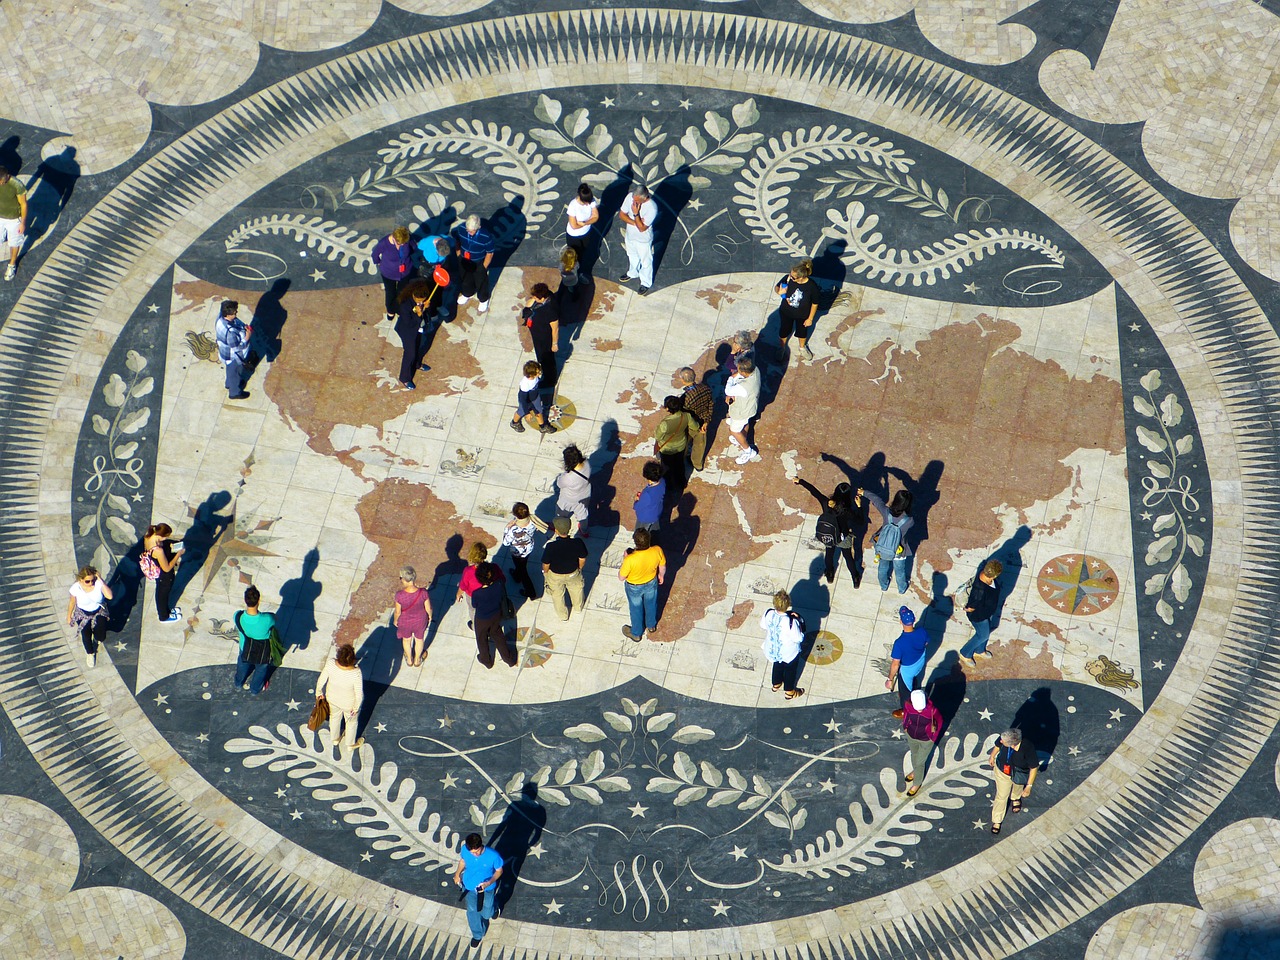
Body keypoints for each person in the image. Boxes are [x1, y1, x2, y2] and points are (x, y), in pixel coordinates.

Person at [792, 473, 862, 586]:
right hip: (843, 537)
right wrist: (859, 506)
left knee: (829, 554)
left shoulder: (826, 503)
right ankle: (855, 578)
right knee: (848, 557)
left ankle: (829, 574)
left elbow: (814, 491)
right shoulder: (847, 510)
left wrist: (800, 481)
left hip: (829, 535)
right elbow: (860, 521)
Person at [454, 833, 504, 947]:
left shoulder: (493, 856)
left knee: (486, 914)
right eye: (472, 853)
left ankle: (494, 908)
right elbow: (462, 861)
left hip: (487, 889)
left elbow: (499, 871)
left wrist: (489, 882)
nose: (475, 854)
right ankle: (477, 935)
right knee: (472, 911)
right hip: (469, 886)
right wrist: (457, 874)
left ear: (481, 845)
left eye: (477, 851)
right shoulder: (465, 850)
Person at [863, 487, 915, 594]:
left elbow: (877, 501)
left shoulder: (886, 512)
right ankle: (901, 588)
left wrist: (864, 492)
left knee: (883, 567)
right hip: (899, 551)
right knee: (900, 572)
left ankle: (884, 585)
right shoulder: (909, 521)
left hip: (883, 547)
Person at [316, 644, 365, 756]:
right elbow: (359, 694)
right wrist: (356, 708)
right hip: (349, 704)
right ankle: (350, 744)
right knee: (352, 723)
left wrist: (319, 693)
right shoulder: (356, 673)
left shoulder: (331, 664)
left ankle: (335, 739)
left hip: (332, 699)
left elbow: (321, 680)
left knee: (334, 717)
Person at [988, 727, 1039, 835]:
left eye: (1003, 741)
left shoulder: (1027, 747)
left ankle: (1015, 798)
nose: (1001, 741)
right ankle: (997, 820)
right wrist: (992, 756)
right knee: (1001, 796)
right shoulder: (1005, 736)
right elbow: (998, 745)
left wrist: (1028, 786)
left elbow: (1034, 767)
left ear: (1012, 744)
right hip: (1002, 772)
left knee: (1018, 787)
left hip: (1018, 773)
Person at [618, 528, 665, 642]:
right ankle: (651, 625)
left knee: (636, 609)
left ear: (635, 542)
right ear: (649, 540)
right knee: (651, 604)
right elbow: (662, 566)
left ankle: (636, 633)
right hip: (651, 582)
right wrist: (661, 576)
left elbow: (621, 577)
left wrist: (625, 558)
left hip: (634, 587)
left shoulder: (630, 559)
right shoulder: (657, 550)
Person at [760, 589, 806, 700]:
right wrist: (799, 622)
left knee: (777, 665)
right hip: (788, 652)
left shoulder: (768, 613)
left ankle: (776, 684)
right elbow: (798, 638)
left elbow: (763, 625)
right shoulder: (790, 621)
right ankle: (789, 691)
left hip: (772, 648)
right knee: (790, 671)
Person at [541, 516, 588, 620]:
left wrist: (545, 572)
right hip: (573, 573)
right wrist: (579, 568)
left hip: (555, 575)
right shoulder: (578, 542)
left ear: (556, 531)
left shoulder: (551, 546)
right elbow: (582, 559)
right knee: (577, 590)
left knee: (557, 595)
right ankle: (578, 608)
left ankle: (563, 616)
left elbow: (546, 564)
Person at [233, 585, 277, 695]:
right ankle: (255, 689)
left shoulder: (238, 616)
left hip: (245, 647)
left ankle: (238, 683)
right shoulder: (267, 618)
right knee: (261, 669)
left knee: (242, 665)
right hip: (262, 650)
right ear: (259, 600)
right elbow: (274, 622)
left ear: (245, 600)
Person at [471, 563, 516, 669]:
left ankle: (486, 661)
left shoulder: (477, 593)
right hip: (496, 615)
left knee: (481, 639)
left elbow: (474, 605)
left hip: (482, 619)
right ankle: (508, 659)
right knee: (497, 635)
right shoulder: (499, 584)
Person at [885, 606, 926, 719]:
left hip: (907, 670)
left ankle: (906, 710)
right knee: (916, 682)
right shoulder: (922, 631)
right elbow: (926, 643)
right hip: (919, 664)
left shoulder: (899, 643)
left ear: (900, 621)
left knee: (905, 692)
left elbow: (895, 664)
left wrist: (890, 679)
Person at [774, 258, 819, 361]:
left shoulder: (811, 287)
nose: (790, 278)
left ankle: (802, 348)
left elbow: (815, 303)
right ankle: (781, 348)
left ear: (801, 277)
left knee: (802, 332)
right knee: (784, 330)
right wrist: (779, 292)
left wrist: (810, 319)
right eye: (790, 275)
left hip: (803, 315)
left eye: (793, 277)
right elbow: (777, 287)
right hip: (786, 312)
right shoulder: (788, 278)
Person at [67, 565, 112, 668]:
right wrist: (69, 616)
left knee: (100, 636)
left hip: (98, 612)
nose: (91, 583)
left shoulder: (98, 583)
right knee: (86, 634)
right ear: (81, 579)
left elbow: (109, 596)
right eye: (87, 581)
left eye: (93, 580)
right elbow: (72, 602)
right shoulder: (76, 588)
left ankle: (96, 637)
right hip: (83, 613)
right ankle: (90, 653)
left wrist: (100, 580)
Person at [960, 560, 1003, 666]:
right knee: (982, 635)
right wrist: (969, 608)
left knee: (986, 632)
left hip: (988, 611)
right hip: (979, 615)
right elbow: (972, 606)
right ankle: (965, 653)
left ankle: (980, 650)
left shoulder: (986, 575)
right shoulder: (979, 590)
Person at [901, 688, 943, 796]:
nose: (919, 710)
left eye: (921, 708)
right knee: (914, 754)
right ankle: (916, 772)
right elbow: (906, 716)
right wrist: (905, 727)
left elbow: (939, 723)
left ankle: (917, 782)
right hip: (911, 735)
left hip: (926, 739)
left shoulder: (932, 710)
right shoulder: (908, 705)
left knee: (920, 761)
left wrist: (933, 738)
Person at [394, 279, 433, 390]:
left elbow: (427, 314)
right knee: (410, 353)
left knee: (418, 347)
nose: (420, 302)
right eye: (418, 300)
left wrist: (427, 307)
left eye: (422, 300)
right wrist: (418, 314)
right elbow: (409, 323)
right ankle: (404, 378)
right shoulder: (405, 305)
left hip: (418, 329)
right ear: (413, 295)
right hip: (407, 331)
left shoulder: (423, 300)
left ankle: (417, 364)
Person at [617, 185, 657, 294]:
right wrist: (636, 222)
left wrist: (635, 213)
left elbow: (642, 228)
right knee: (631, 255)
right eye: (633, 199)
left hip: (643, 240)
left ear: (644, 198)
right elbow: (622, 214)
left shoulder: (652, 208)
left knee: (646, 261)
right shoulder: (630, 197)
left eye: (636, 200)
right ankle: (632, 272)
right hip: (630, 236)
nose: (633, 202)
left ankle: (645, 282)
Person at [654, 395, 696, 497]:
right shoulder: (686, 416)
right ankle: (681, 483)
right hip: (681, 446)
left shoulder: (665, 423)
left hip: (667, 449)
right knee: (679, 465)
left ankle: (669, 486)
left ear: (668, 409)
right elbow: (695, 426)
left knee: (667, 467)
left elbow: (658, 436)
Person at [522, 283, 560, 392]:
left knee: (546, 358)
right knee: (540, 355)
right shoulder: (541, 300)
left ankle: (550, 380)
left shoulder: (551, 310)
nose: (532, 298)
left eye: (535, 297)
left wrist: (554, 344)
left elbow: (555, 328)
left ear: (542, 298)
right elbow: (529, 304)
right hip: (537, 333)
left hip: (544, 337)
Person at [724, 355, 761, 465]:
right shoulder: (755, 370)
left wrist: (731, 377)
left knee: (734, 430)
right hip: (750, 408)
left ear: (743, 371)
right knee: (745, 423)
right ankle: (741, 438)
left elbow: (728, 390)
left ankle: (748, 451)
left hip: (741, 412)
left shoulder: (743, 387)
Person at [454, 214, 495, 313]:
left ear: (478, 228)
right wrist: (458, 254)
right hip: (464, 259)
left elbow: (490, 253)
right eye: (468, 231)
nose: (470, 233)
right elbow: (458, 241)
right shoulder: (461, 228)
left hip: (478, 261)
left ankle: (483, 299)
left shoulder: (486, 236)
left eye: (473, 231)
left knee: (481, 281)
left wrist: (483, 267)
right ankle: (467, 293)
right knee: (465, 279)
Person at [142, 523, 183, 623]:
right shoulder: (158, 551)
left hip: (156, 568)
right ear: (160, 536)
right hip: (164, 576)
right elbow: (167, 568)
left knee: (161, 592)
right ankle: (164, 617)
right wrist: (178, 554)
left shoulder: (148, 537)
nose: (166, 539)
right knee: (162, 595)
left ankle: (166, 611)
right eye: (165, 537)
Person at [457, 543, 504, 630]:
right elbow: (502, 579)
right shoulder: (494, 567)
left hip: (473, 596)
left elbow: (463, 585)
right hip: (491, 594)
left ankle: (475, 626)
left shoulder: (468, 571)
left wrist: (458, 594)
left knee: (473, 610)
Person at [675, 367, 714, 471]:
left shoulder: (685, 398)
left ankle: (680, 461)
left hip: (690, 425)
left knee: (684, 444)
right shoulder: (706, 388)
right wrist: (706, 421)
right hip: (703, 423)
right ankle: (698, 465)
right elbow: (710, 404)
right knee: (700, 444)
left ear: (682, 380)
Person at [393, 565, 432, 667]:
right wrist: (430, 616)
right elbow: (428, 608)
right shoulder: (423, 592)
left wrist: (395, 620)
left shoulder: (399, 595)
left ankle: (409, 660)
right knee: (419, 640)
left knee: (406, 640)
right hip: (420, 620)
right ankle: (417, 660)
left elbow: (397, 612)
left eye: (400, 578)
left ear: (405, 580)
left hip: (405, 622)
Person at [371, 226, 412, 321]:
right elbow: (375, 255)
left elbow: (413, 247)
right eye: (399, 243)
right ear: (394, 238)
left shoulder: (407, 240)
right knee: (390, 292)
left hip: (405, 272)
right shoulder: (384, 243)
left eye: (403, 243)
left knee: (402, 292)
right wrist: (379, 263)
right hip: (388, 273)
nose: (401, 245)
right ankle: (390, 310)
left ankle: (399, 308)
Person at [214, 299, 252, 400]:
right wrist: (247, 337)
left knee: (230, 371)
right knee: (235, 373)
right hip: (233, 356)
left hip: (224, 353)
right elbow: (238, 347)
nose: (236, 313)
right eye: (235, 312)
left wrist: (242, 326)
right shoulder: (230, 333)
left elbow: (235, 320)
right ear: (228, 314)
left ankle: (229, 383)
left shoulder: (220, 318)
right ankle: (235, 392)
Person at [502, 502, 539, 600]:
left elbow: (506, 543)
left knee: (523, 571)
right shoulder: (533, 520)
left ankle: (531, 592)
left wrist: (507, 528)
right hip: (528, 548)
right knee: (521, 566)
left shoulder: (513, 529)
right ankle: (516, 575)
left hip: (517, 552)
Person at [510, 360, 555, 435]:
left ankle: (543, 427)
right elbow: (523, 400)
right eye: (537, 372)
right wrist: (527, 413)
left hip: (535, 397)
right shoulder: (525, 384)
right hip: (526, 401)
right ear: (531, 375)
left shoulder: (535, 377)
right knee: (521, 412)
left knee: (539, 411)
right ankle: (514, 423)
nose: (539, 373)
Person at [564, 182, 599, 279]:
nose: (588, 204)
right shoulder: (573, 206)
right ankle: (571, 275)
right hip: (573, 236)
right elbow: (574, 225)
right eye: (585, 202)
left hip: (585, 233)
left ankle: (581, 272)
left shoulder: (591, 201)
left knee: (583, 253)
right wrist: (585, 223)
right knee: (573, 256)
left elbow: (595, 216)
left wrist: (584, 223)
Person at [555, 444, 591, 537]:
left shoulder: (568, 477)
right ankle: (584, 530)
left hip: (568, 499)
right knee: (582, 514)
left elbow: (559, 484)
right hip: (585, 495)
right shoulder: (586, 464)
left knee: (561, 514)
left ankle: (561, 528)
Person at [0, 166, 27, 282]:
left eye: (1, 181)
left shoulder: (17, 185)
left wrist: (23, 223)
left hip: (14, 219)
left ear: (6, 176)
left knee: (14, 243)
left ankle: (12, 265)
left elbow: (24, 204)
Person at [632, 460, 666, 537]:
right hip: (657, 511)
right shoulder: (662, 481)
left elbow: (638, 506)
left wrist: (636, 500)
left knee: (640, 533)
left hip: (646, 517)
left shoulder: (648, 494)